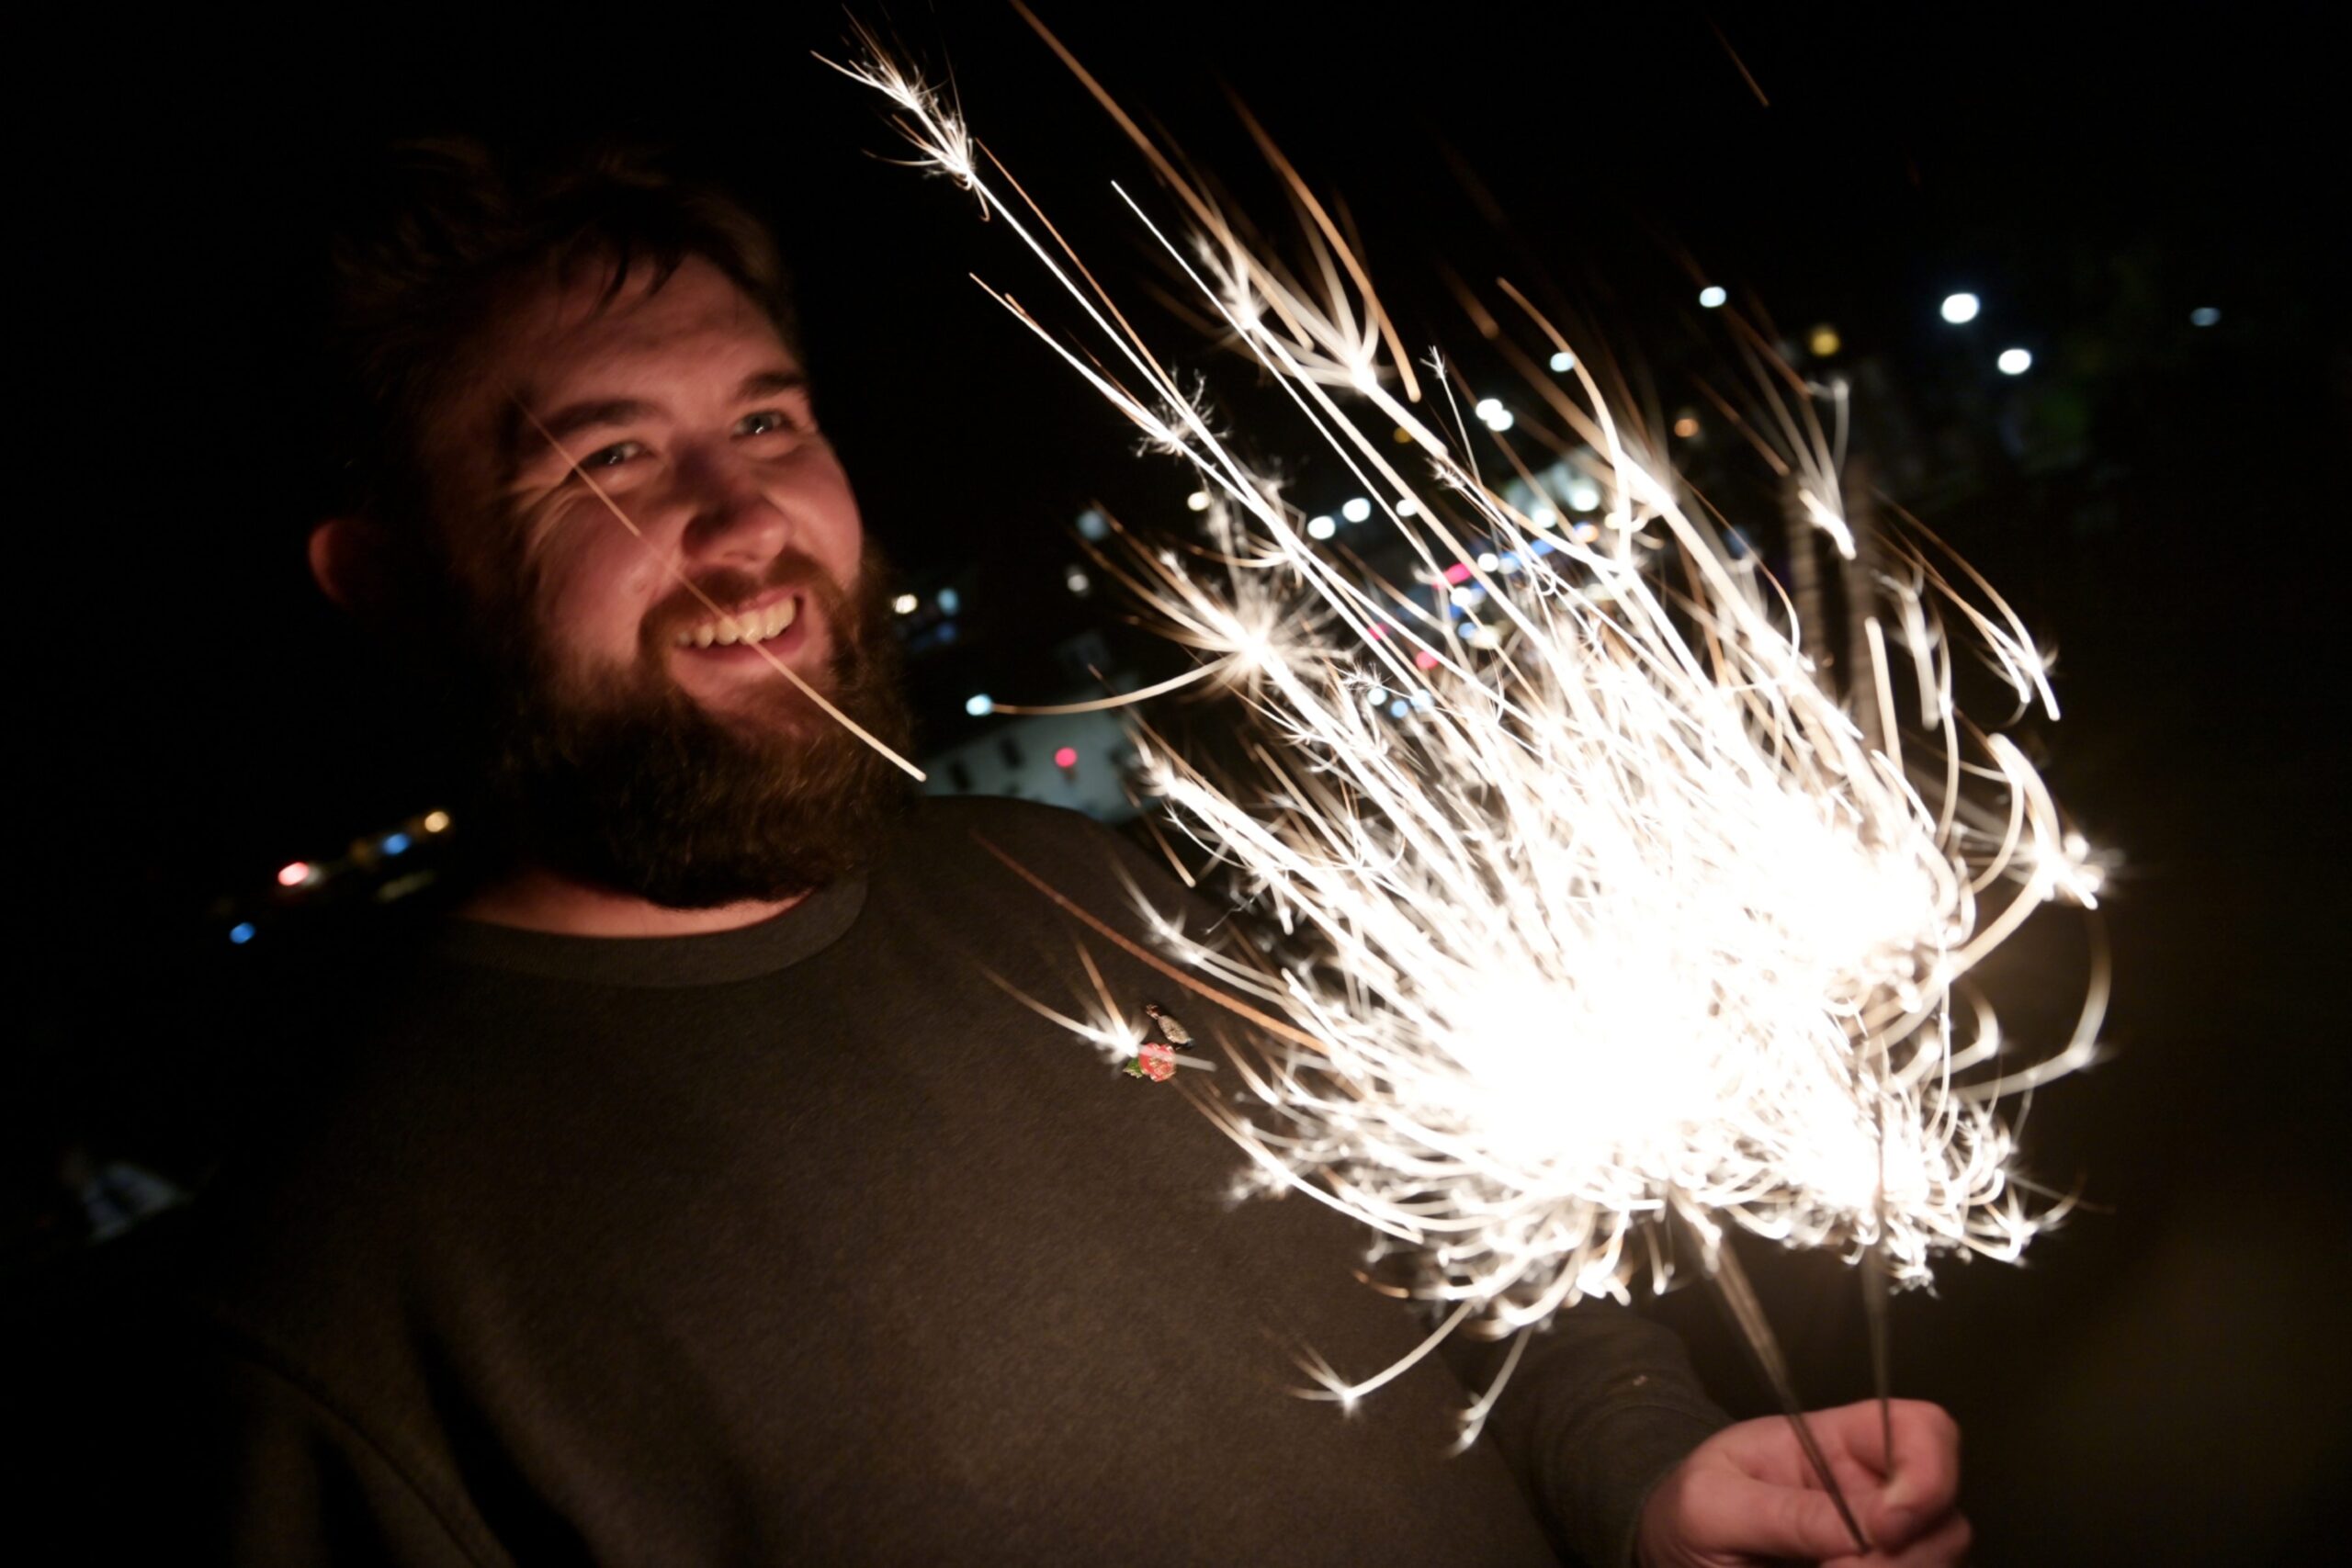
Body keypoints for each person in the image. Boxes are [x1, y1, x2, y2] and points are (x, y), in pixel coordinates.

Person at [117, 141, 1968, 1566]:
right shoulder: (345, 1313)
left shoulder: (1066, 881)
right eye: (606, 460)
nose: (743, 515)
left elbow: (1444, 1283)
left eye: (766, 419)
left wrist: (1646, 1462)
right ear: (389, 578)